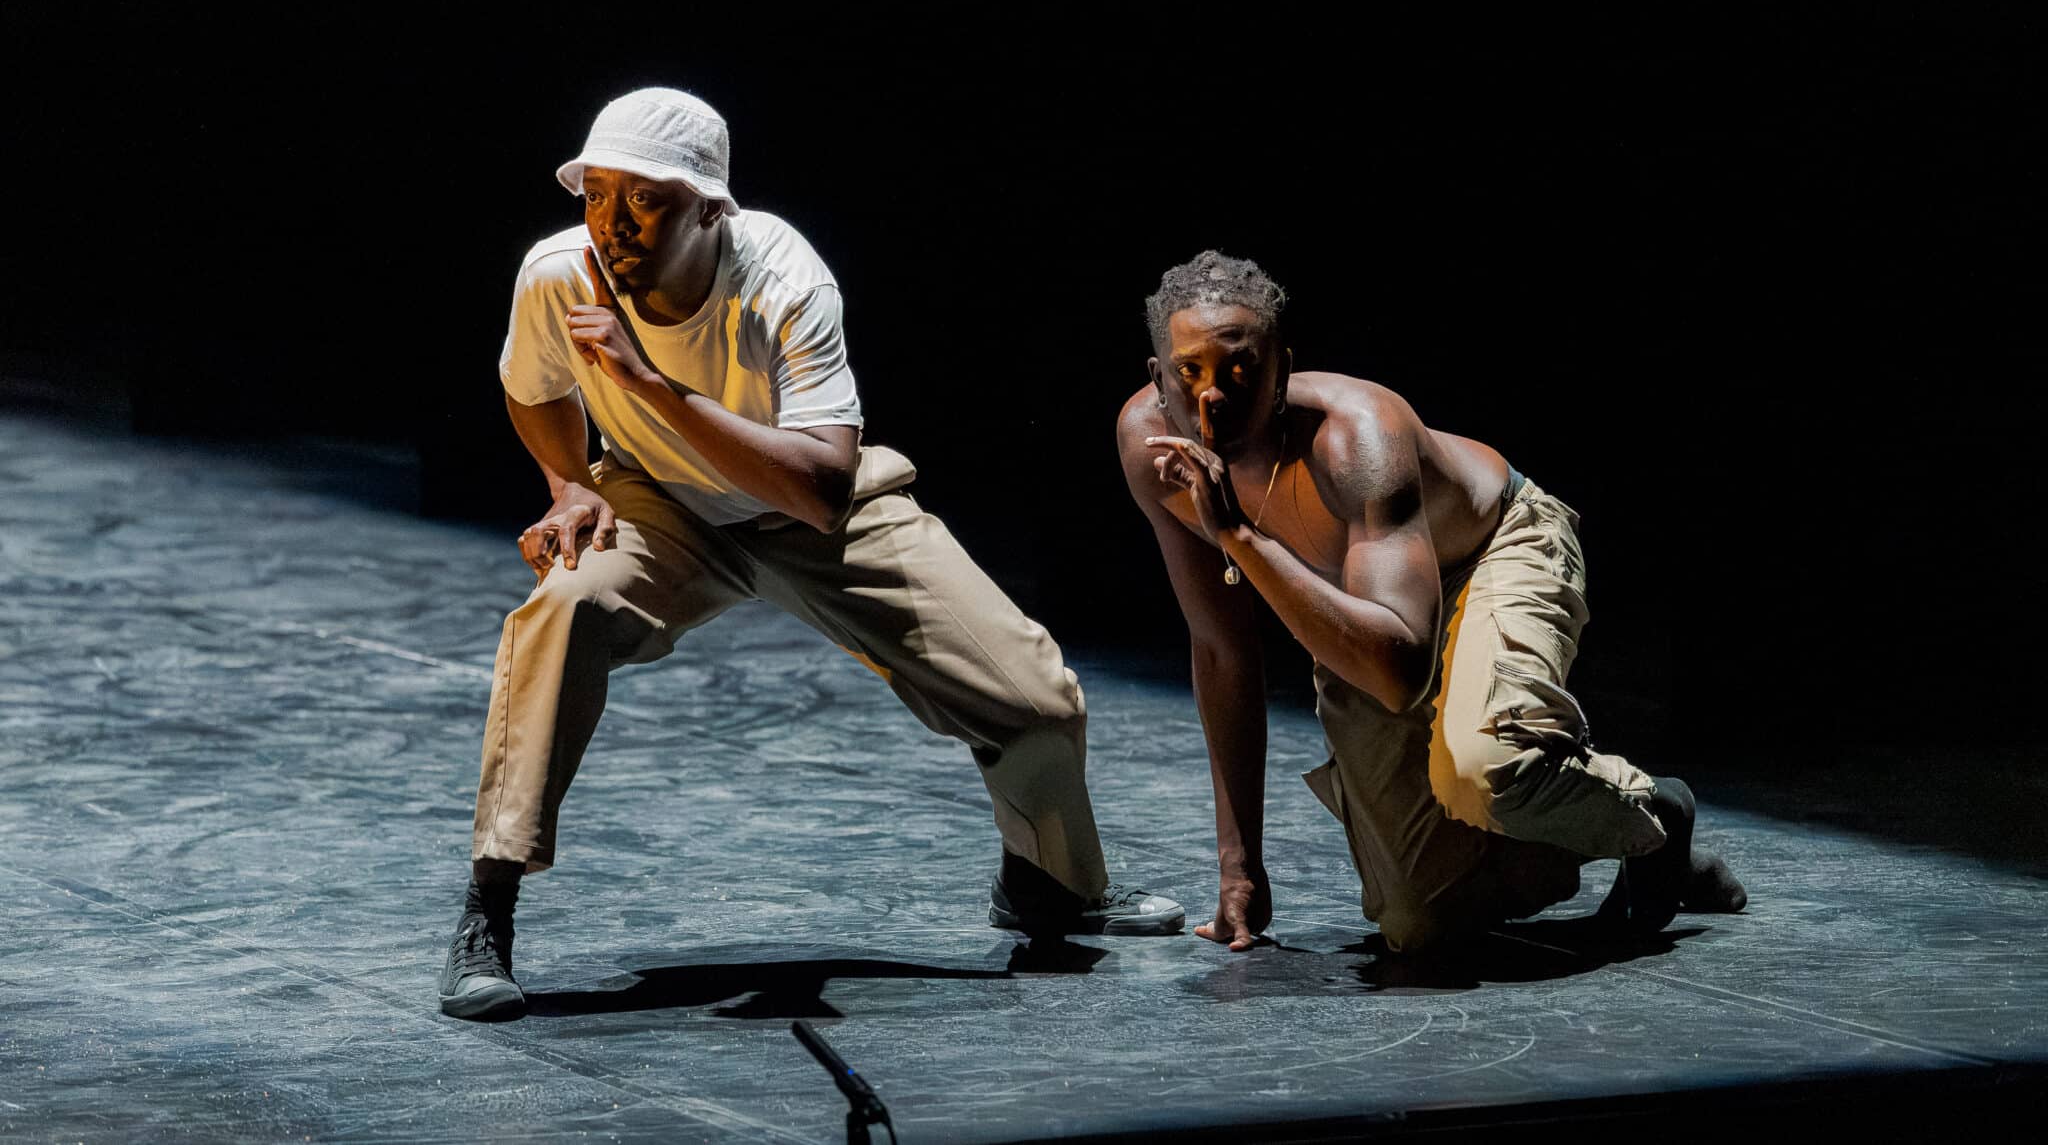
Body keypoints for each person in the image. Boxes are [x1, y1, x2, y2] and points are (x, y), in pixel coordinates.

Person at [440, 87, 1182, 1020]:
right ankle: (486, 918)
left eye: (644, 201)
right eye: (596, 194)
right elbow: (532, 384)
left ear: (710, 206)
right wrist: (570, 483)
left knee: (1033, 699)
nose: (611, 224)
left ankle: (1051, 884)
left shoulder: (785, 278)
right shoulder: (557, 273)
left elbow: (823, 490)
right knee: (559, 614)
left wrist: (648, 383)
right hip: (663, 502)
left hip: (810, 510)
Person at [1115, 250, 1745, 956]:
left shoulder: (1357, 437)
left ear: (1283, 371)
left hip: (1492, 549)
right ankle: (1632, 834)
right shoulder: (1150, 451)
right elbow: (1222, 649)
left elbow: (1399, 671)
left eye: (1240, 372)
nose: (1213, 400)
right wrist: (1238, 865)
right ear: (1156, 377)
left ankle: (1654, 807)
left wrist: (1236, 532)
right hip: (1368, 609)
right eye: (1188, 374)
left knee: (1481, 767)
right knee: (1417, 922)